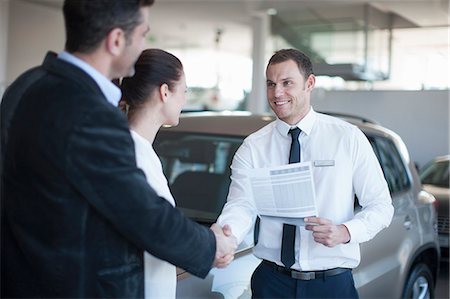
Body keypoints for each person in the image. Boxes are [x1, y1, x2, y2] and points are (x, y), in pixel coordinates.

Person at [0, 1, 236, 298]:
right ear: (116, 40)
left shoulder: (26, 84)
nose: (142, 47)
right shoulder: (90, 112)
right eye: (142, 35)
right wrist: (211, 246)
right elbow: (143, 213)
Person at [217, 48, 394, 298]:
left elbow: (381, 206)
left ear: (309, 83)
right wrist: (227, 237)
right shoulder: (254, 146)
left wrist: (346, 231)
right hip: (271, 283)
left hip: (330, 285)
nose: (277, 93)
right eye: (271, 84)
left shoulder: (348, 138)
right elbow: (241, 204)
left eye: (287, 83)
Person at [119, 48, 206, 298]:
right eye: (184, 91)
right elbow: (157, 232)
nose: (185, 100)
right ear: (165, 92)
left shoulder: (139, 150)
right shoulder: (131, 155)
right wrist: (210, 245)